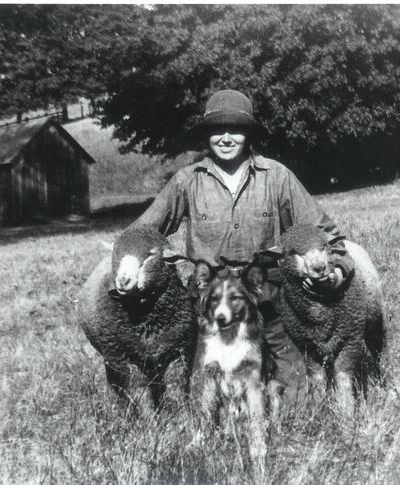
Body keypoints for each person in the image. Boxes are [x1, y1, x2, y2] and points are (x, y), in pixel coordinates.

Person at [128, 89, 354, 401]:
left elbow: (324, 232)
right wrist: (126, 262)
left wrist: (338, 269)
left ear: (248, 134)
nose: (225, 137)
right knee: (202, 393)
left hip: (268, 295)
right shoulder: (187, 180)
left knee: (295, 393)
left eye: (234, 129)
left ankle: (288, 424)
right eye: (217, 129)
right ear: (207, 135)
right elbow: (143, 232)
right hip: (209, 300)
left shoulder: (276, 176)